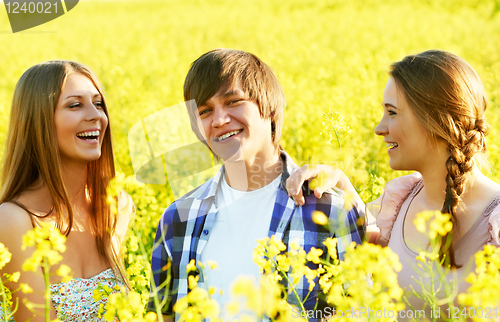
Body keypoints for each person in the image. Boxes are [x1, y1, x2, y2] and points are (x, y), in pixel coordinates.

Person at [148, 49, 365, 321]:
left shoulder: (331, 209)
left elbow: (363, 310)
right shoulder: (178, 217)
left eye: (233, 101)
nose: (219, 120)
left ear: (270, 108)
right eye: (205, 111)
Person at [286, 49, 500, 316]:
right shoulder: (402, 198)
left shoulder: (495, 222)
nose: (379, 128)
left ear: (434, 120)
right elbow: (372, 249)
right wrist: (341, 184)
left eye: (392, 113)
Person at [0, 61, 133, 321]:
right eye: (75, 105)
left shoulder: (116, 207)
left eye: (98, 103)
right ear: (39, 122)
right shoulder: (14, 221)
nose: (96, 115)